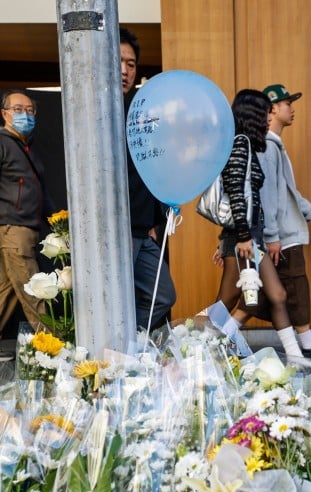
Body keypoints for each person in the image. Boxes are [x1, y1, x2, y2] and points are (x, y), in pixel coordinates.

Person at [227, 83, 311, 366]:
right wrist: (270, 236)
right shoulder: (262, 146)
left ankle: (297, 354)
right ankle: (202, 340)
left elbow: (286, 192)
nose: (292, 109)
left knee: (267, 296)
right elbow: (259, 196)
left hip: (261, 236)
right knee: (274, 294)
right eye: (286, 104)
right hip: (267, 237)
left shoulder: (269, 145)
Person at [210, 89, 304, 361]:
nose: (268, 118)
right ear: (253, 114)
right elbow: (236, 193)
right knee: (225, 302)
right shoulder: (239, 143)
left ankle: (296, 358)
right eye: (265, 112)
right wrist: (241, 237)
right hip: (243, 239)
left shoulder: (247, 145)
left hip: (251, 237)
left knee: (277, 295)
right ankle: (194, 347)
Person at [0, 89, 58, 362]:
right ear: (4, 113)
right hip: (10, 230)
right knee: (33, 289)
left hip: (25, 229)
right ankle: (56, 350)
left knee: (8, 288)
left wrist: (58, 222)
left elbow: (40, 191)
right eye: (18, 109)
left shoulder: (23, 146)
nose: (25, 115)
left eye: (30, 110)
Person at [120, 28, 175, 331]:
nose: (125, 70)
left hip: (143, 229)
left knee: (163, 295)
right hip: (116, 230)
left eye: (131, 64)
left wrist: (155, 221)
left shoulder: (141, 111)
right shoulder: (95, 114)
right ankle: (117, 350)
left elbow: (150, 166)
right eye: (118, 62)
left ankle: (131, 344)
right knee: (118, 297)